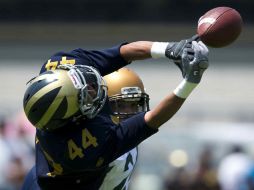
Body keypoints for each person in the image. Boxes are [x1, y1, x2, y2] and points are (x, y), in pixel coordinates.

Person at [22, 36, 209, 190]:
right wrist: (190, 82)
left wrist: (170, 48)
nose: (93, 87)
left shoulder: (61, 64)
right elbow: (153, 119)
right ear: (71, 118)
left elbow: (122, 52)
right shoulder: (86, 147)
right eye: (85, 95)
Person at [99, 68, 150, 189]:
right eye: (120, 105)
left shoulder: (129, 137)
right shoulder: (98, 142)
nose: (129, 113)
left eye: (134, 105)